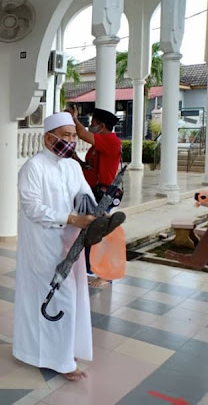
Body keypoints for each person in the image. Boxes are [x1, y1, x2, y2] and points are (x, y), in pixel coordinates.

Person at [14, 112, 96, 382]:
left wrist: (95, 210)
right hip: (42, 246)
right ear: (49, 138)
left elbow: (84, 193)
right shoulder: (33, 167)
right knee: (60, 299)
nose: (71, 141)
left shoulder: (72, 166)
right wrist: (70, 218)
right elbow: (32, 207)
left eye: (73, 136)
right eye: (65, 135)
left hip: (69, 244)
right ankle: (60, 360)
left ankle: (52, 353)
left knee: (61, 299)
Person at [67, 105, 122, 287]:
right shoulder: (98, 146)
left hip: (103, 195)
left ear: (103, 125)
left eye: (93, 123)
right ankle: (92, 269)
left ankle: (106, 276)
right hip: (93, 193)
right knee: (91, 232)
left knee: (101, 234)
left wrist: (73, 118)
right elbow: (90, 168)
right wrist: (75, 158)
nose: (91, 125)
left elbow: (82, 134)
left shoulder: (110, 141)